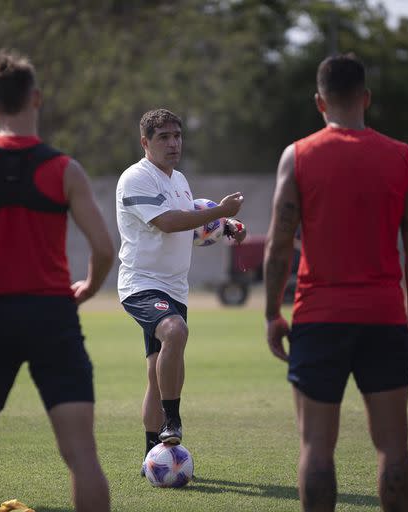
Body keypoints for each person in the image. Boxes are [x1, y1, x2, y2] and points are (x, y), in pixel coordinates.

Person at [0, 50, 114, 512]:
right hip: (53, 316)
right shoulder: (64, 169)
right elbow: (103, 249)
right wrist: (86, 289)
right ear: (36, 98)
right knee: (82, 456)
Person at [264, 53, 408, 512]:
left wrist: (271, 314)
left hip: (319, 319)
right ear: (367, 98)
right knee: (394, 449)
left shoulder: (297, 156)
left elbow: (278, 245)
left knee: (316, 449)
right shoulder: (402, 157)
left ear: (320, 102)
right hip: (384, 317)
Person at [116, 108, 246, 470]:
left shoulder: (179, 180)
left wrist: (226, 224)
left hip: (174, 288)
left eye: (177, 136)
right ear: (145, 143)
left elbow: (193, 221)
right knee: (175, 330)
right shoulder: (135, 178)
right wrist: (218, 210)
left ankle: (150, 459)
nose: (174, 143)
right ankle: (172, 421)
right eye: (164, 137)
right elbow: (170, 222)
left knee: (157, 373)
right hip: (141, 285)